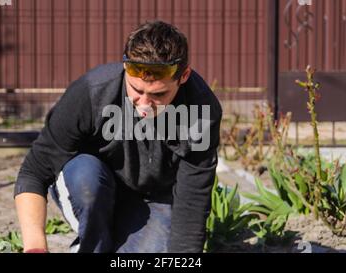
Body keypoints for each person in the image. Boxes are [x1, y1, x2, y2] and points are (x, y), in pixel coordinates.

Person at [14, 20, 222, 253]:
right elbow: (34, 172)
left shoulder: (201, 110)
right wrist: (35, 248)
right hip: (94, 184)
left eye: (159, 94)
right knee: (86, 178)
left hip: (155, 199)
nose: (144, 105)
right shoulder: (92, 92)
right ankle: (93, 240)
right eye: (137, 90)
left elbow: (192, 199)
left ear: (183, 76)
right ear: (125, 68)